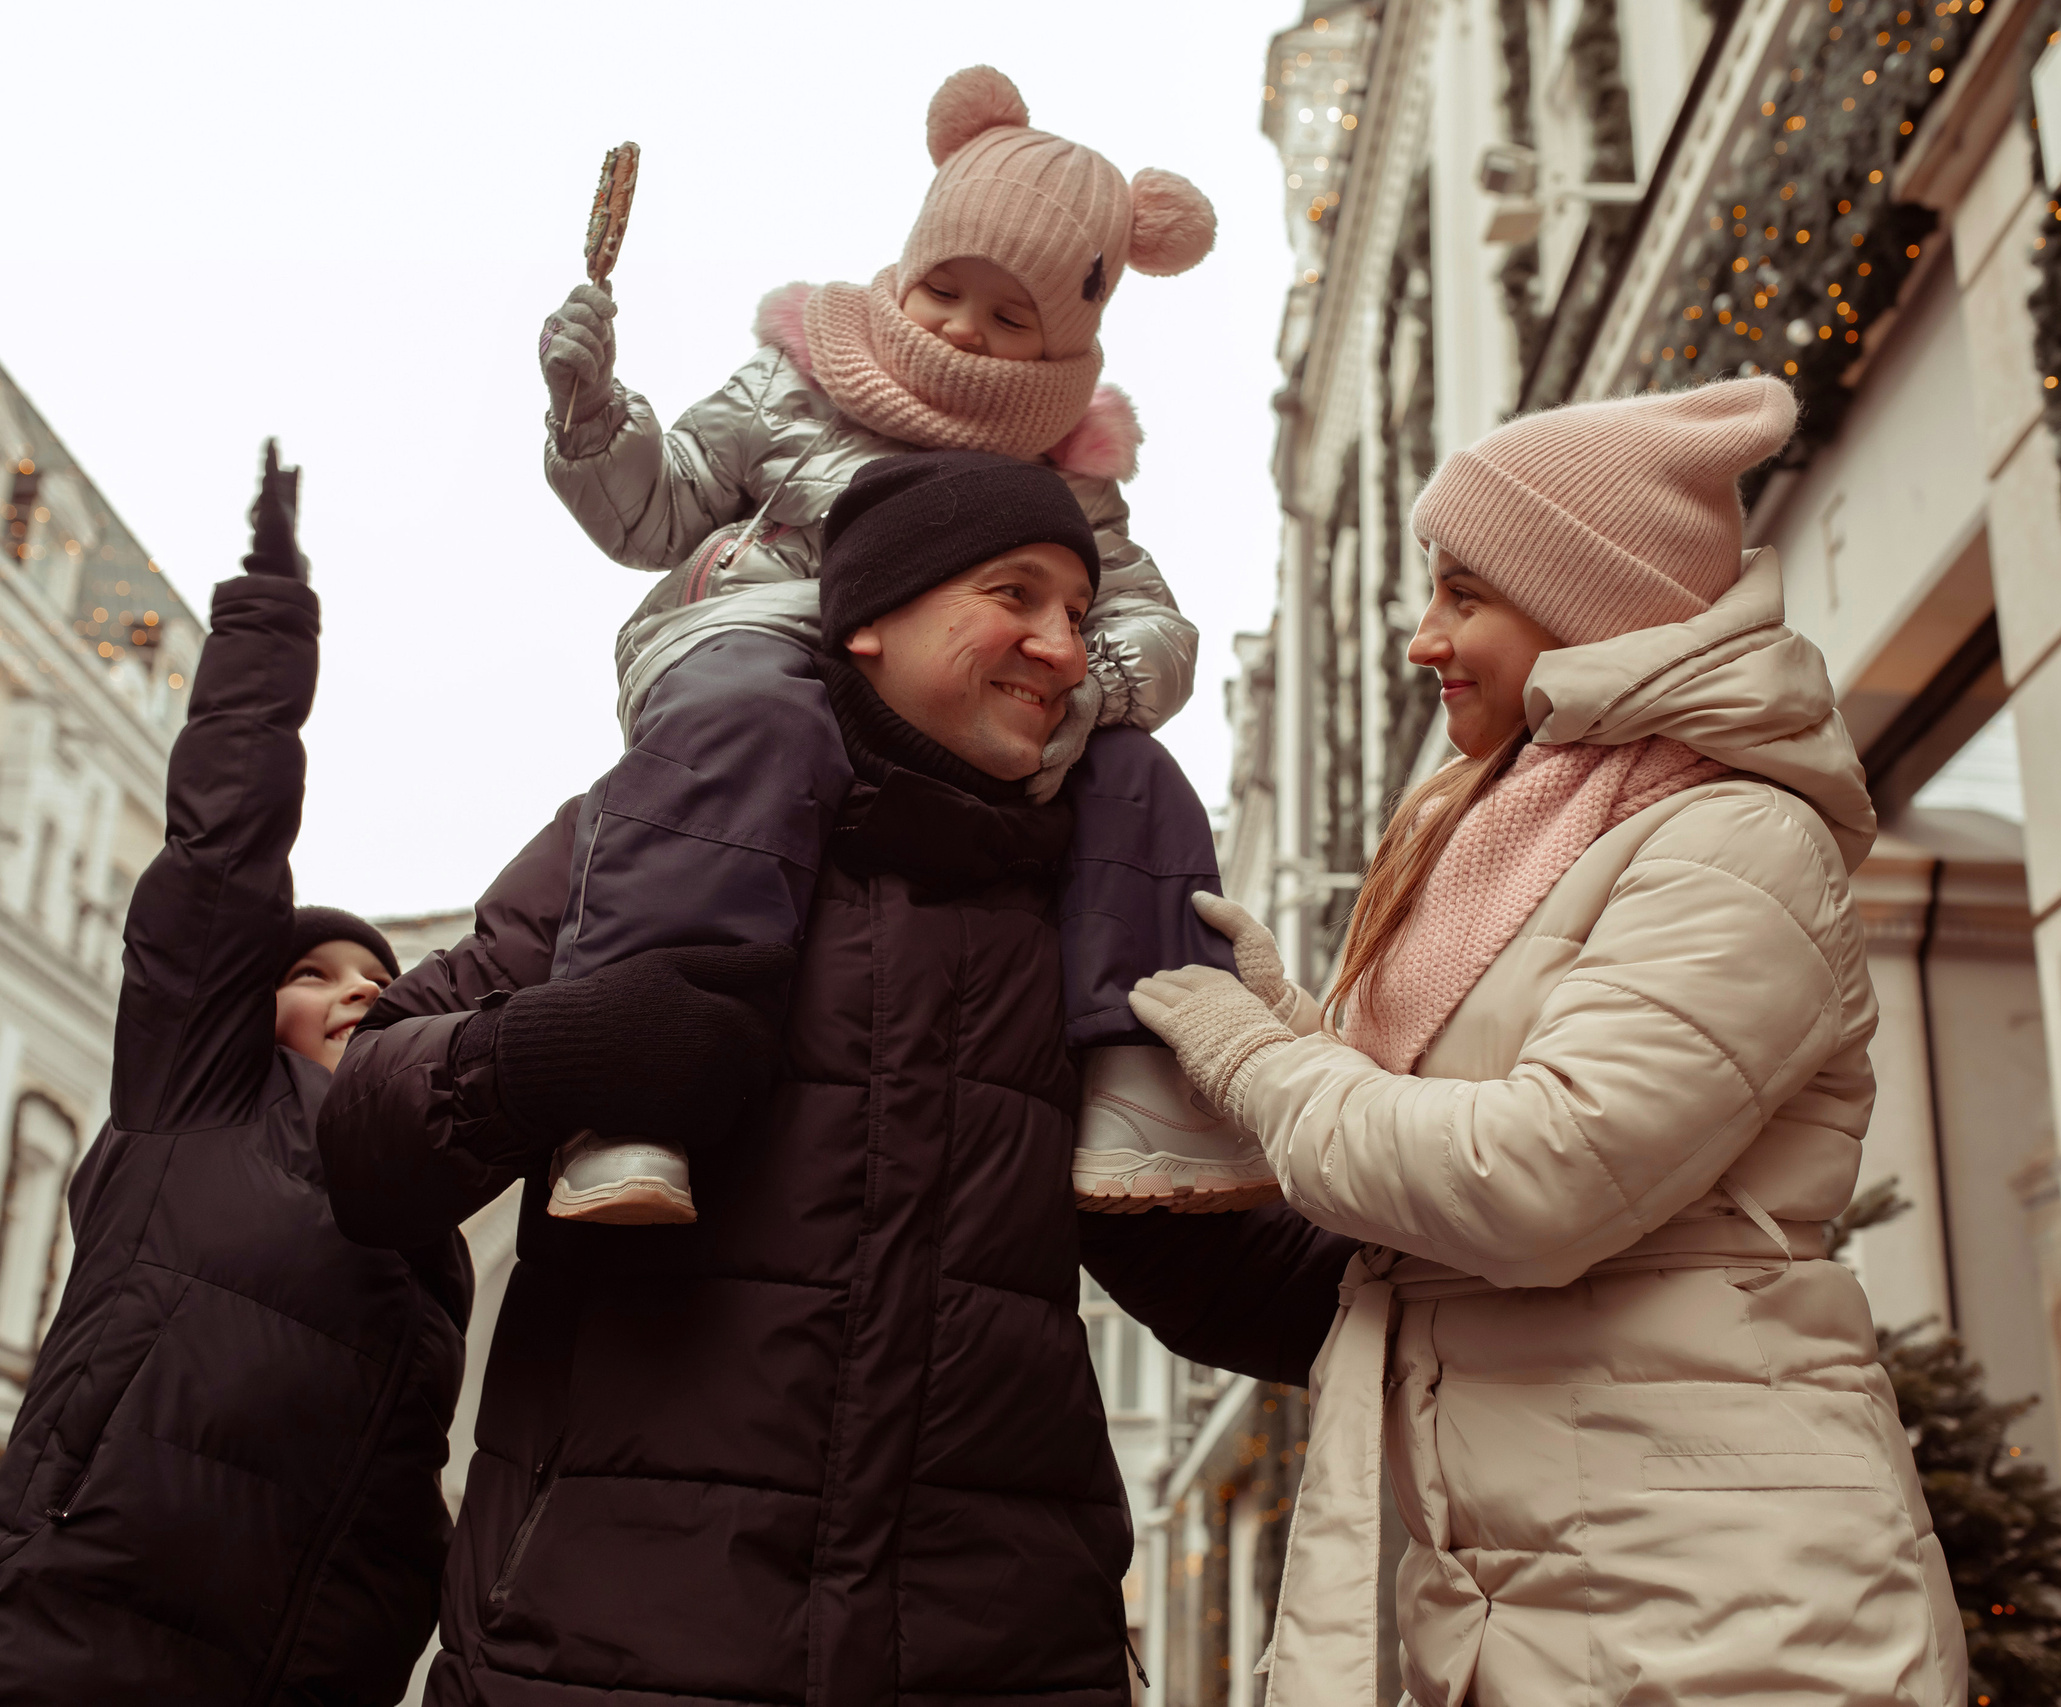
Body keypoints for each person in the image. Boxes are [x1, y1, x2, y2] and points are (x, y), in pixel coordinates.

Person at [319, 451, 1359, 1707]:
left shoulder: (1091, 914)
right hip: (608, 1649)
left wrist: (1463, 1265)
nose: (1065, 652)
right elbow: (363, 1140)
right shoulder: (647, 834)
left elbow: (1197, 1260)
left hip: (997, 1656)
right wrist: (554, 1052)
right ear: (869, 617)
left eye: (1080, 616)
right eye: (1013, 596)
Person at [1134, 378, 1966, 1705]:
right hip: (1566, 1583)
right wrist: (1297, 1019)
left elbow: (1539, 1172)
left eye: (1465, 593)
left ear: (1588, 602)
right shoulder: (1530, 827)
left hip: (1713, 1601)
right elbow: (1480, 1110)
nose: (1424, 640)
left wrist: (1263, 1058)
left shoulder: (1734, 837)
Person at [536, 64, 1266, 1217]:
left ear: (1066, 330)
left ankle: (1144, 1081)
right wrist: (591, 417)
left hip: (946, 711)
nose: (965, 330)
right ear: (908, 264)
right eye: (946, 290)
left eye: (1010, 314)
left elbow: (1143, 610)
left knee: (1135, 775)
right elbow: (663, 510)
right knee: (752, 715)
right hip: (768, 631)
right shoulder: (796, 374)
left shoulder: (1064, 468)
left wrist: (1094, 690)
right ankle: (632, 1083)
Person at [0, 444, 467, 1707]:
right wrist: (267, 615)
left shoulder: (430, 1223)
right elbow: (221, 850)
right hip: (61, 1657)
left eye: (377, 981)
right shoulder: (199, 1100)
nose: (355, 987)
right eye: (310, 972)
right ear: (238, 1007)